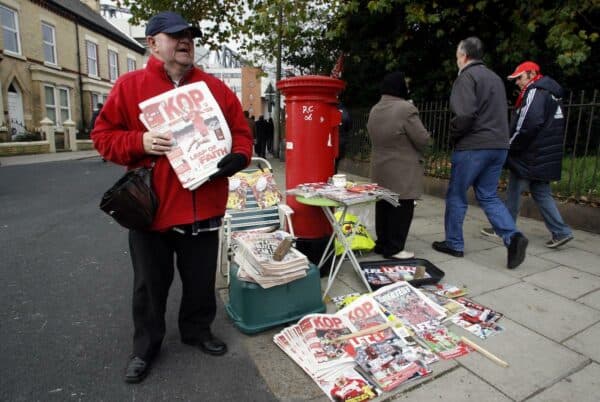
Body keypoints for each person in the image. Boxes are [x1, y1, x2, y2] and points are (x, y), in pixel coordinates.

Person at [90, 11, 252, 384]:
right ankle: (145, 347)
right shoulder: (130, 86)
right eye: (176, 35)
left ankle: (197, 331)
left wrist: (239, 156)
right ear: (152, 43)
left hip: (203, 205)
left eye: (190, 36)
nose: (185, 41)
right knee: (149, 284)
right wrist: (139, 141)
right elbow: (102, 136)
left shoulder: (215, 88)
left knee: (199, 281)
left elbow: (242, 134)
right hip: (151, 209)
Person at [431, 37, 528, 269]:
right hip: (499, 146)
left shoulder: (466, 77)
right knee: (488, 195)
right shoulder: (494, 78)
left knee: (456, 195)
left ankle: (454, 243)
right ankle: (512, 236)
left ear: (463, 56)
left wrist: (454, 135)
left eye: (457, 56)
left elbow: (464, 115)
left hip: (474, 146)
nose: (457, 60)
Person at [481, 61, 573, 248]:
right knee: (541, 192)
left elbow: (527, 124)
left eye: (520, 77)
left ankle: (504, 228)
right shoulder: (551, 93)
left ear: (532, 74)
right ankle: (561, 231)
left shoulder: (535, 92)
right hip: (544, 153)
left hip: (529, 154)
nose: (517, 82)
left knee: (514, 190)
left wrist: (509, 145)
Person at [367, 71, 430, 260]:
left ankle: (382, 243)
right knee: (402, 208)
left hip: (380, 168)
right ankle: (395, 248)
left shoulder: (375, 109)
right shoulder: (406, 109)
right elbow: (422, 139)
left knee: (384, 207)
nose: (408, 88)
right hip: (402, 169)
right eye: (406, 85)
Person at [335, 102, 352, 173]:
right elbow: (349, 126)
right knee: (336, 163)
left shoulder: (328, 108)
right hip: (341, 141)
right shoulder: (344, 111)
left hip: (329, 141)